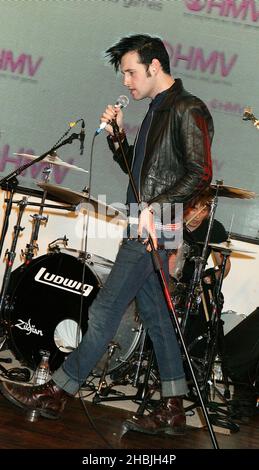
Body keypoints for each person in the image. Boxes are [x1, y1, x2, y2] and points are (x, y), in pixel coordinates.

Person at [0, 34, 214, 436]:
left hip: (157, 222)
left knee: (103, 310)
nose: (127, 83)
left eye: (131, 73)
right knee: (156, 318)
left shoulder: (188, 108)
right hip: (148, 218)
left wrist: (155, 207)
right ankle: (173, 407)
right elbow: (139, 172)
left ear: (154, 67)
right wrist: (118, 136)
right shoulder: (156, 111)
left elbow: (200, 173)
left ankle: (57, 393)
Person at [169, 190, 231, 359]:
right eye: (194, 208)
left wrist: (212, 278)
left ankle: (191, 359)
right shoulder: (172, 222)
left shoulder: (214, 228)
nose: (197, 215)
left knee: (211, 302)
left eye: (203, 210)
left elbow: (224, 266)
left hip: (195, 283)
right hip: (168, 279)